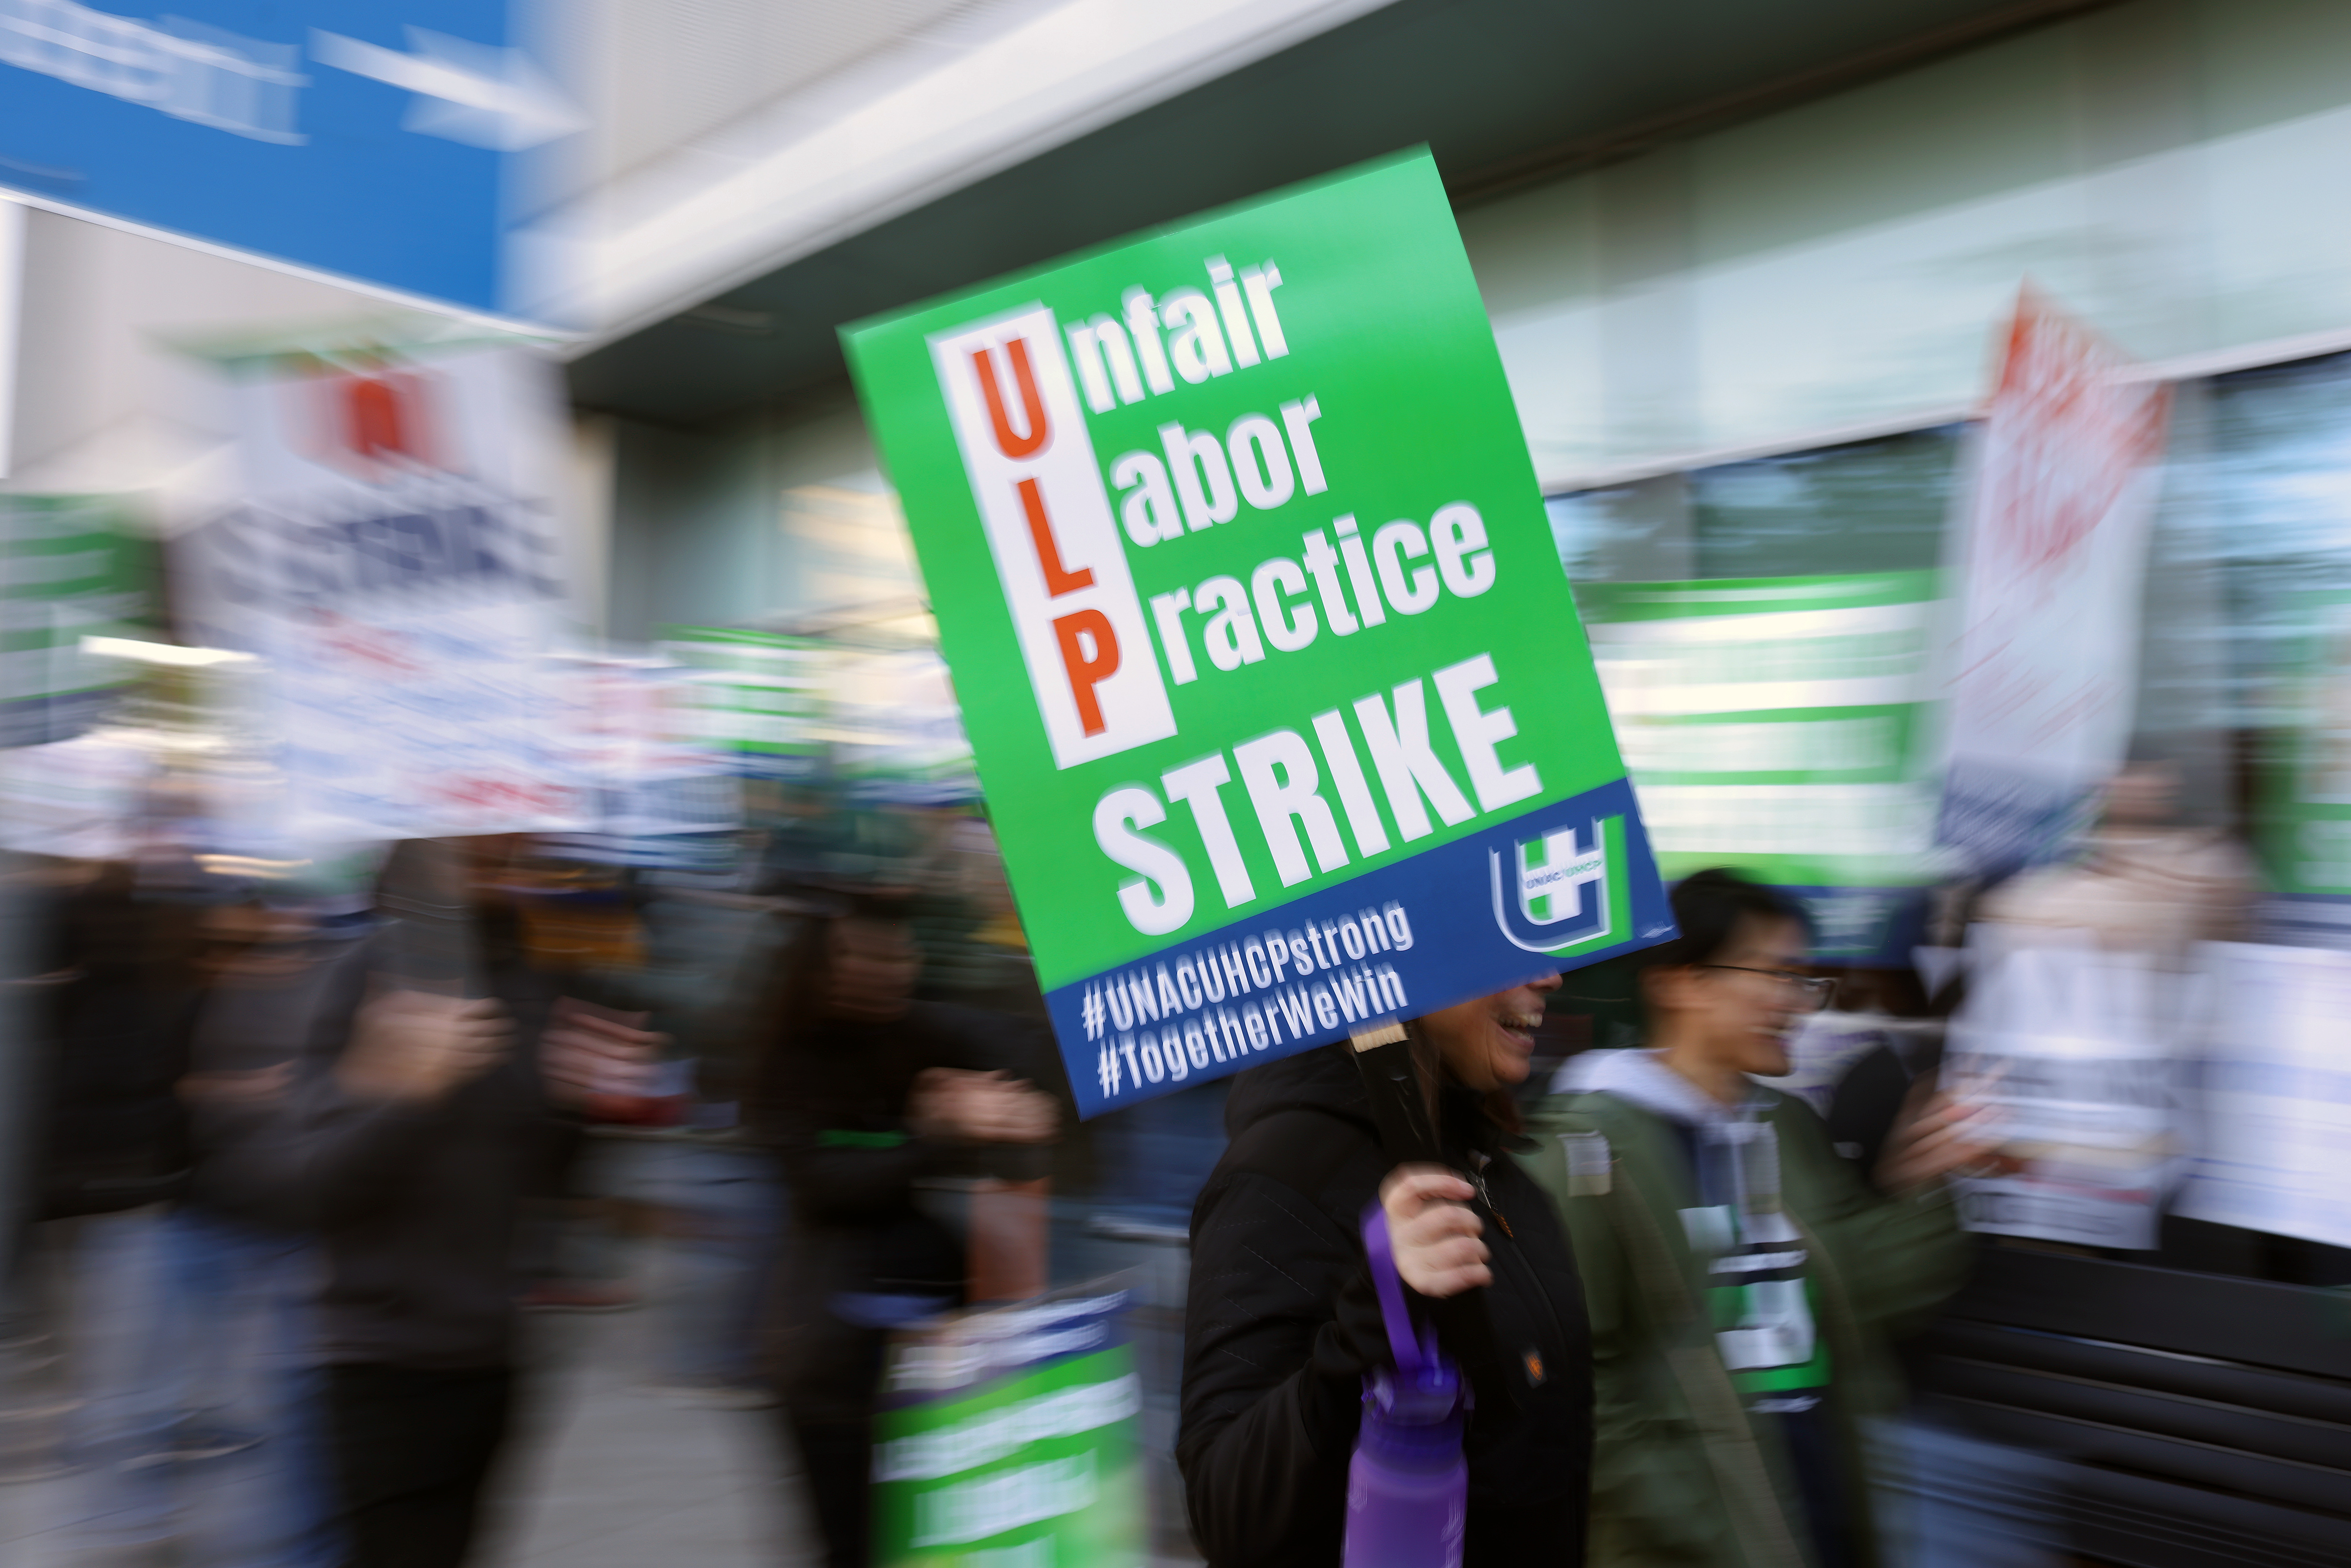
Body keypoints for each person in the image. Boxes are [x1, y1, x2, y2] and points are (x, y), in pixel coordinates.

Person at [1524, 869, 1995, 1568]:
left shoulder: (1786, 1127)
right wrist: (1696, 1512)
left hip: (1814, 1516)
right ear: (1680, 981)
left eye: (1803, 978)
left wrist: (1932, 1181)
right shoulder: (1584, 1151)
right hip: (1690, 1540)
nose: (1796, 1001)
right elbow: (1572, 1379)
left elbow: (1866, 1298)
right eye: (1774, 973)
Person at [1178, 975, 1594, 1568]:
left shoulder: (1497, 1174)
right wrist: (1375, 1317)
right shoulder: (1282, 1173)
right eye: (1494, 934)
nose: (1549, 973)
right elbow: (1228, 1511)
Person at [752, 901, 1058, 1568]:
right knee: (852, 1542)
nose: (889, 970)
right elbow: (830, 1182)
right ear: (821, 966)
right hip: (827, 1355)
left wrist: (1009, 1107)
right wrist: (936, 1130)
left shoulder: (920, 1029)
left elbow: (1025, 1052)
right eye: (866, 954)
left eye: (900, 954)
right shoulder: (790, 1058)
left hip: (930, 1344)